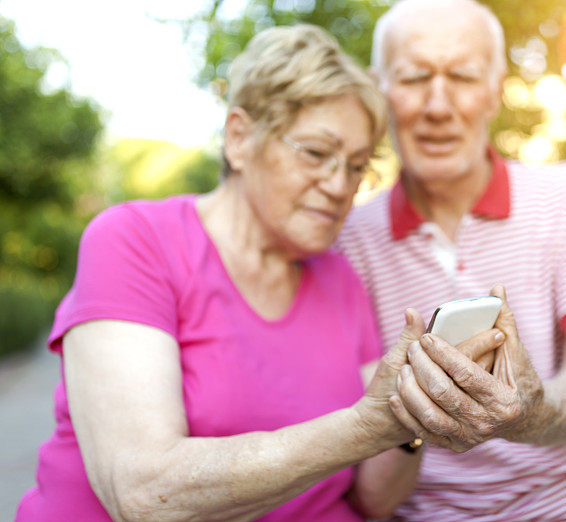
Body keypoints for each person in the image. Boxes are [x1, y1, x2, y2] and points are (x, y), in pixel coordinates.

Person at [15, 24, 504, 521]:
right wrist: (366, 427)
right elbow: (144, 493)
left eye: (357, 165)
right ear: (240, 138)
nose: (341, 185)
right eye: (316, 153)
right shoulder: (134, 239)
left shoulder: (338, 278)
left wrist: (411, 416)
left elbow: (376, 499)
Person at [335, 0, 566, 519]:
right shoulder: (346, 239)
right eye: (415, 77)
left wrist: (528, 412)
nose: (438, 105)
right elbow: (368, 471)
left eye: (462, 76)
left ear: (495, 90)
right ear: (380, 91)